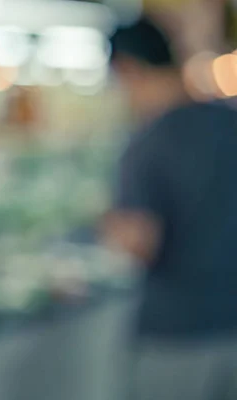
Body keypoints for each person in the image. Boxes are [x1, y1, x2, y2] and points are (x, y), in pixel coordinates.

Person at [103, 16, 237, 400]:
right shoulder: (228, 122)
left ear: (127, 69)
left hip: (178, 334)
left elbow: (138, 243)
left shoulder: (147, 143)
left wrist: (106, 225)